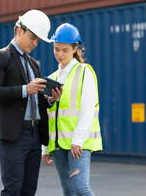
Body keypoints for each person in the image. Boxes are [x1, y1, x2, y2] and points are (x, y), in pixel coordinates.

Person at [0, 9, 60, 196]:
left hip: (34, 134)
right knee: (13, 189)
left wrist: (49, 101)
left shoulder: (34, 64)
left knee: (28, 190)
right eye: (33, 38)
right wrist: (25, 89)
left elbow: (35, 99)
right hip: (13, 135)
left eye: (38, 40)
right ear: (19, 30)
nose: (35, 43)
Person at [42, 23, 103, 196]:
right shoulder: (52, 78)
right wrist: (46, 148)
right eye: (56, 49)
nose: (59, 54)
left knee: (81, 189)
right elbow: (49, 115)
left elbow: (87, 108)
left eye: (65, 50)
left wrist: (78, 139)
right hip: (58, 145)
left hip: (78, 143)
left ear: (75, 48)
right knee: (68, 191)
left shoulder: (85, 72)